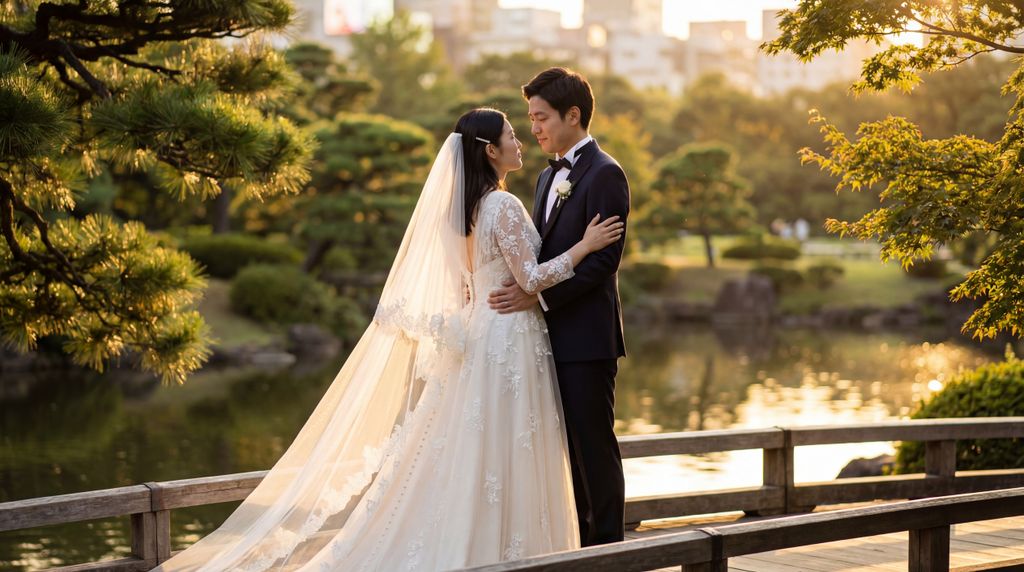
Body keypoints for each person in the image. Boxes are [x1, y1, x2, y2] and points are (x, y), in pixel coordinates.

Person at [152, 108, 623, 571]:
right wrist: (585, 245)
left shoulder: (462, 211)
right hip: (507, 337)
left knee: (479, 443)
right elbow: (532, 276)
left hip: (483, 331)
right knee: (509, 442)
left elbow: (469, 283)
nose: (520, 141)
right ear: (489, 151)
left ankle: (483, 542)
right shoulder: (502, 204)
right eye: (511, 134)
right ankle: (510, 548)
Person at [488, 67, 630, 546]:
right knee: (563, 451)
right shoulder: (547, 178)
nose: (535, 128)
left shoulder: (606, 174)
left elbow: (602, 264)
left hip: (588, 338)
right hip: (544, 337)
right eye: (529, 118)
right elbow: (542, 254)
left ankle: (608, 549)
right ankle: (578, 544)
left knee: (594, 447)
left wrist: (538, 295)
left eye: (542, 116)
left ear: (574, 115)